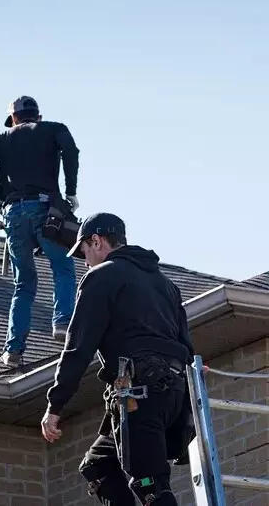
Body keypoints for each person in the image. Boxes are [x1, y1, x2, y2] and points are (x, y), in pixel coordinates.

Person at [41, 212, 195, 506]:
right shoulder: (166, 285)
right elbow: (186, 347)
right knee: (98, 466)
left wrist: (55, 405)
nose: (84, 261)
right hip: (172, 394)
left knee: (150, 484)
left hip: (140, 393)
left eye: (84, 251)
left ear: (96, 241)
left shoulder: (100, 277)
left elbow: (77, 349)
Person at [0, 96, 80, 367]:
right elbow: (71, 150)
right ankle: (63, 323)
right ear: (38, 116)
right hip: (45, 209)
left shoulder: (2, 138)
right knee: (63, 266)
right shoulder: (53, 129)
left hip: (14, 213)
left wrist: (2, 193)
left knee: (24, 283)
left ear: (14, 119)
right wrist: (70, 191)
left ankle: (13, 351)